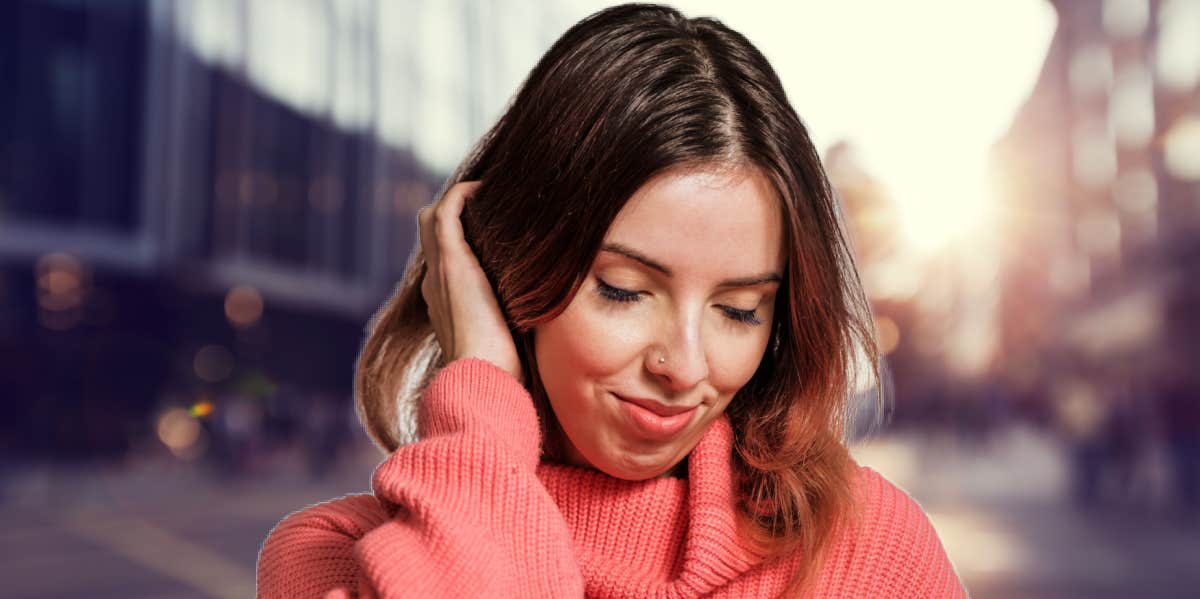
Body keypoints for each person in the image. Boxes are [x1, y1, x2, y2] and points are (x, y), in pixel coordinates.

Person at [257, 4, 966, 597]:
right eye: (625, 290)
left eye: (740, 309)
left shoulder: (869, 549)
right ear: (508, 270)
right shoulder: (333, 554)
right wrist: (483, 390)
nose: (685, 366)